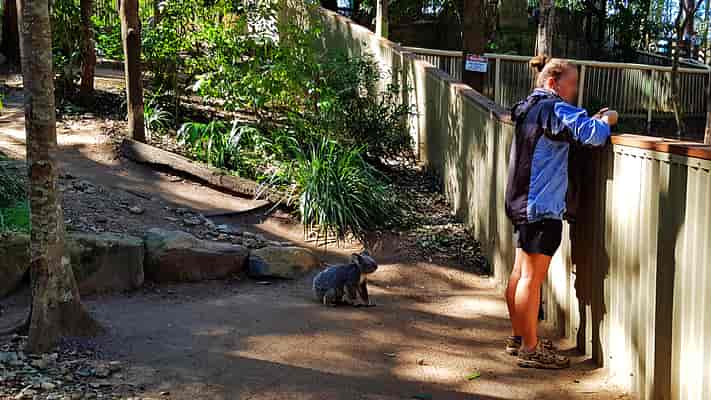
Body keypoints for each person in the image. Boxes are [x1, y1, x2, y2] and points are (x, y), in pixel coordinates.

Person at [503, 55, 618, 369]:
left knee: (519, 273)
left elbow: (567, 131)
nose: (575, 90)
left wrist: (588, 119)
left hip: (522, 201)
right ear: (553, 83)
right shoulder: (554, 108)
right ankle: (530, 349)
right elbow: (592, 135)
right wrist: (606, 120)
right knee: (530, 278)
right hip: (541, 206)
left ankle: (519, 337)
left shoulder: (530, 106)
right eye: (572, 83)